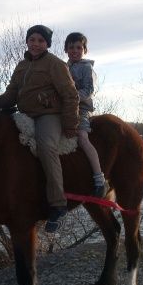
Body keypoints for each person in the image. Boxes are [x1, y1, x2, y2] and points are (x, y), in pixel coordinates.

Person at [0, 24, 79, 233]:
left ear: (47, 44)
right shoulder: (21, 66)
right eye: (32, 39)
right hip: (25, 114)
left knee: (45, 146)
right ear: (27, 41)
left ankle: (58, 204)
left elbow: (70, 95)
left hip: (49, 115)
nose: (35, 43)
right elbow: (11, 94)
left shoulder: (55, 64)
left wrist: (70, 124)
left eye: (41, 41)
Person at [64, 32, 108, 198]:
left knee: (82, 137)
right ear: (66, 50)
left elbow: (89, 90)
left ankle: (99, 178)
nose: (74, 51)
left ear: (84, 50)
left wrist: (72, 98)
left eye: (78, 47)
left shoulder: (86, 67)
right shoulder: (63, 67)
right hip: (63, 108)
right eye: (71, 47)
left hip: (80, 108)